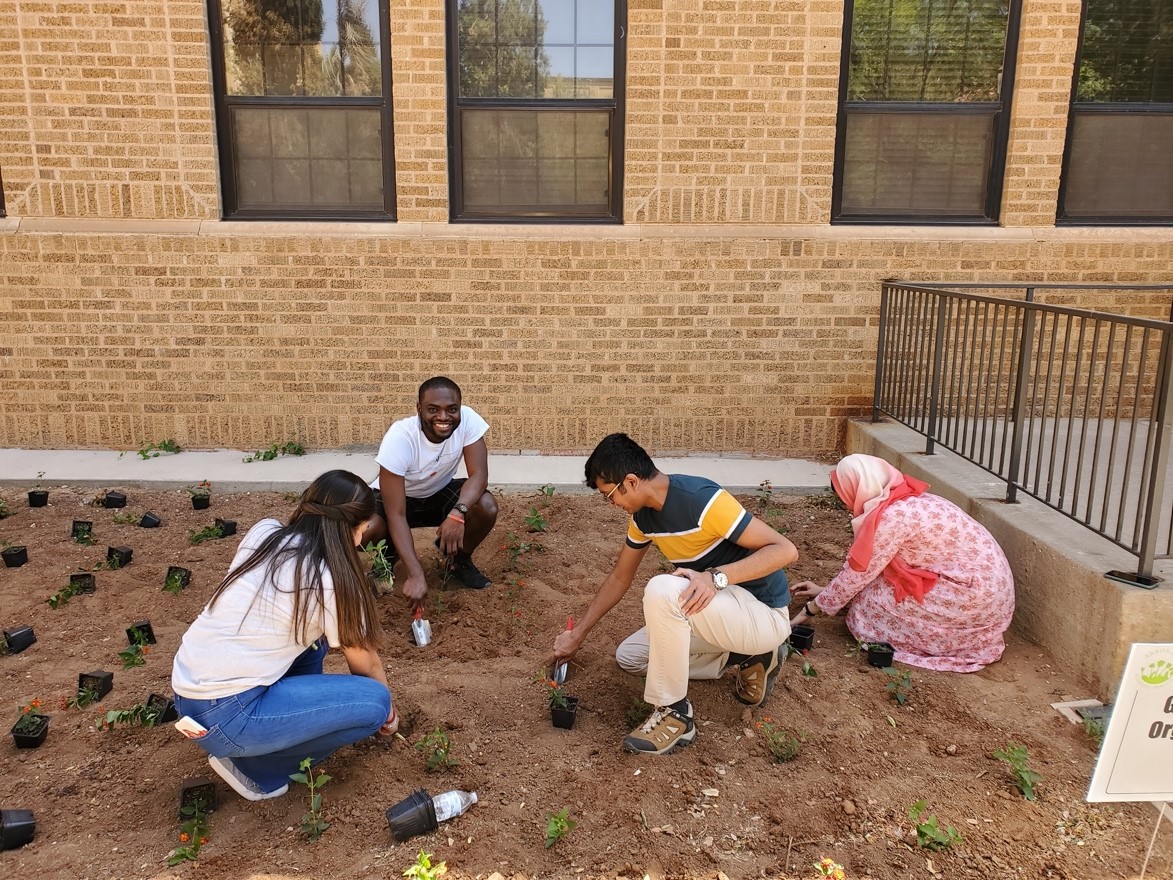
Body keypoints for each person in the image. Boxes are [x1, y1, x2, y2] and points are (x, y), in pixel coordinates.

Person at [552, 433, 798, 756]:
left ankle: (675, 714)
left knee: (663, 590)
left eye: (609, 495)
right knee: (631, 657)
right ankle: (746, 656)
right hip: (720, 614)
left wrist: (717, 578)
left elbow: (786, 550)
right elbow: (618, 578)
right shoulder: (642, 519)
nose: (611, 504)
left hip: (763, 613)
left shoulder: (702, 501)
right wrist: (578, 634)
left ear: (630, 482)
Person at [171, 470, 397, 801]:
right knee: (374, 703)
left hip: (187, 694)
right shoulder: (329, 582)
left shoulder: (265, 533)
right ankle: (258, 770)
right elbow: (367, 666)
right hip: (229, 715)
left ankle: (263, 733)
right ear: (348, 529)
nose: (361, 541)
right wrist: (390, 714)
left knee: (313, 642)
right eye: (361, 531)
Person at [790, 453, 1015, 673]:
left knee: (870, 607)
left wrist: (810, 610)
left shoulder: (891, 519)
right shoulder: (906, 497)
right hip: (988, 589)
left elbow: (858, 574)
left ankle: (949, 640)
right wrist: (825, 593)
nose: (846, 504)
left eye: (844, 495)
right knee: (873, 590)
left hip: (975, 599)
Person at [361, 376, 499, 603]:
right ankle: (387, 557)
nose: (443, 417)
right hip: (396, 500)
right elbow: (396, 514)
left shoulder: (469, 421)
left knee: (486, 506)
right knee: (368, 529)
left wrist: (458, 513)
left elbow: (479, 476)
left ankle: (458, 562)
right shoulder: (400, 437)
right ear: (419, 409)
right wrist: (416, 575)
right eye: (433, 409)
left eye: (452, 409)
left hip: (437, 493)